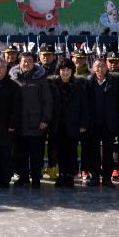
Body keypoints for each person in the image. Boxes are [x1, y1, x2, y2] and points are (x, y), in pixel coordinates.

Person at [10, 52, 52, 188]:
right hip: (19, 124)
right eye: (24, 61)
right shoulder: (13, 78)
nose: (26, 63)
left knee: (36, 155)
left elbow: (48, 101)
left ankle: (35, 179)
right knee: (20, 154)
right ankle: (22, 177)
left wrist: (45, 119)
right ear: (19, 62)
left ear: (34, 63)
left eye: (29, 61)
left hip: (36, 124)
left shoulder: (41, 79)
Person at [84, 58, 119, 187]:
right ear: (93, 68)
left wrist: (118, 122)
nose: (100, 69)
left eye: (102, 66)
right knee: (93, 151)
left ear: (107, 67)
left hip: (109, 123)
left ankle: (107, 177)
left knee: (108, 152)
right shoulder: (88, 83)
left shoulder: (115, 82)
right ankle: (95, 176)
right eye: (97, 66)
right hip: (93, 124)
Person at [49, 59, 87, 188]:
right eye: (63, 70)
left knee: (71, 151)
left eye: (68, 70)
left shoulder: (78, 85)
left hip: (73, 123)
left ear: (72, 71)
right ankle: (62, 175)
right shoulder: (52, 84)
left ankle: (70, 176)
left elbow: (83, 105)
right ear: (58, 70)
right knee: (59, 151)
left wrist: (83, 124)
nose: (65, 72)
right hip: (57, 123)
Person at [0, 57, 21, 187]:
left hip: (7, 126)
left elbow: (16, 107)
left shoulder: (13, 86)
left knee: (5, 153)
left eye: (1, 67)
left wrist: (12, 124)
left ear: (6, 69)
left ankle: (5, 178)